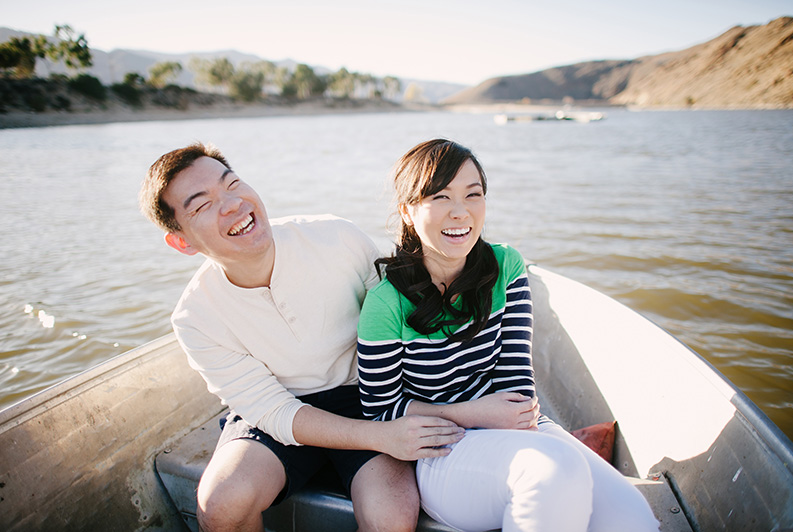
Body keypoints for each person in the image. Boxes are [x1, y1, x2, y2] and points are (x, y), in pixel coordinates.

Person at [139, 142, 467, 532]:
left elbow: (409, 321)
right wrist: (381, 437)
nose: (232, 204)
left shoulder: (336, 238)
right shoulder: (195, 317)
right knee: (222, 504)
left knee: (390, 518)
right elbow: (272, 410)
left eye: (233, 184)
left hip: (369, 395)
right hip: (280, 410)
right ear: (182, 241)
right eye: (202, 205)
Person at [357, 139, 660, 532]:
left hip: (514, 425)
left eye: (473, 194)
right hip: (440, 451)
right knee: (550, 473)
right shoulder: (387, 302)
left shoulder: (505, 266)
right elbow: (379, 410)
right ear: (408, 211)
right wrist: (470, 413)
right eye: (441, 196)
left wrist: (512, 418)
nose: (460, 211)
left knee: (634, 520)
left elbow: (517, 382)